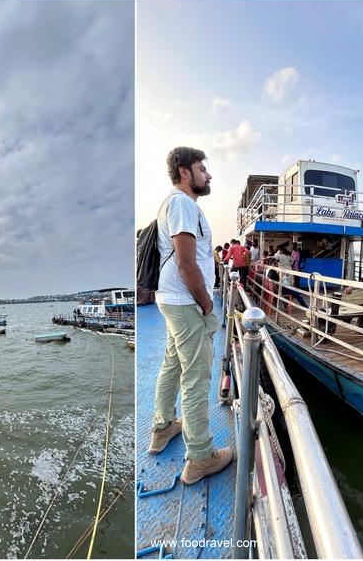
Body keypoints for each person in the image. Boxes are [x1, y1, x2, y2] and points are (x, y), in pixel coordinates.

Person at [149, 146, 233, 485]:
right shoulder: (182, 204)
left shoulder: (173, 203)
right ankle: (200, 457)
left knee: (172, 363)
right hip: (186, 302)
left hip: (172, 300)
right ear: (185, 172)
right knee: (197, 377)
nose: (208, 175)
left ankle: (163, 426)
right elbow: (187, 262)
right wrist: (208, 305)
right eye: (202, 168)